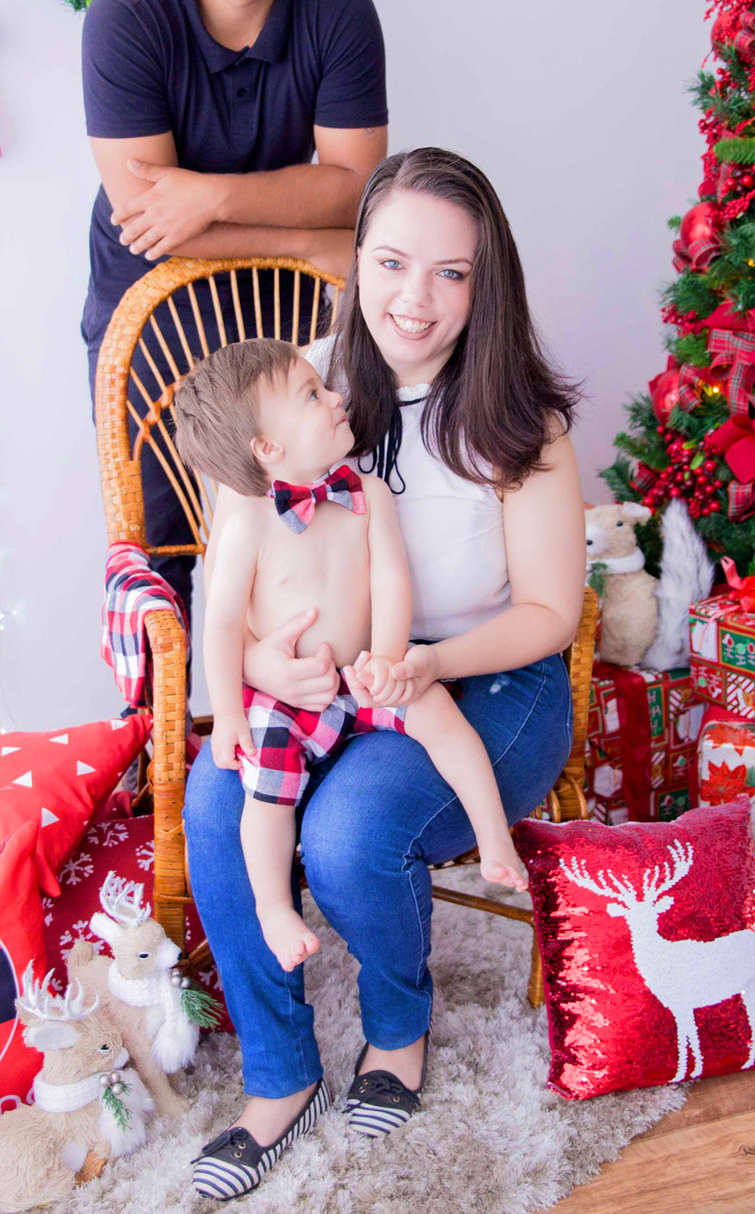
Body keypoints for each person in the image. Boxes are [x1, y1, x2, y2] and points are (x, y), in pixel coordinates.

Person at [183, 148, 585, 1201]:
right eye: (395, 262)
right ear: (356, 257)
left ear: (484, 282)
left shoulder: (517, 419)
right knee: (218, 796)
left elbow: (553, 612)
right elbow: (227, 584)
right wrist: (270, 662)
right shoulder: (290, 386)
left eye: (452, 273)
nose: (417, 299)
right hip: (328, 684)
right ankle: (279, 1075)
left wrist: (425, 665)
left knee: (350, 832)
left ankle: (397, 1028)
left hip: (492, 682)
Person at [81, 0, 388, 607]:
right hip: (154, 307)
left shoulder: (340, 11)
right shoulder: (126, 17)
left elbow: (357, 187)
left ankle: (302, 717)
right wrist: (302, 240)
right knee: (160, 540)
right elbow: (148, 219)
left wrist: (210, 196)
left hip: (281, 312)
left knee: (301, 527)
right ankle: (159, 727)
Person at [171, 338, 528, 979]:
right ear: (268, 449)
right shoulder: (250, 523)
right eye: (313, 395)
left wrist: (389, 659)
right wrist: (226, 717)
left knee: (439, 711)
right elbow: (221, 626)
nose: (336, 397)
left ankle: (492, 832)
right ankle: (277, 907)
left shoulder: (365, 490)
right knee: (266, 797)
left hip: (360, 672)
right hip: (283, 698)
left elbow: (392, 579)